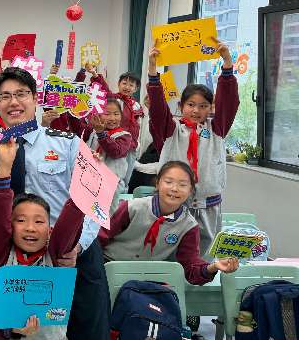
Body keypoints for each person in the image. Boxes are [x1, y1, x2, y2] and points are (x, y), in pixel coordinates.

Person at [0, 65, 111, 340]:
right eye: (5, 96)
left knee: (90, 339)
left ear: (36, 99)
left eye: (21, 94)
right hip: (11, 255)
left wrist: (78, 245)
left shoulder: (68, 143)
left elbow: (96, 198)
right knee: (14, 338)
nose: (14, 102)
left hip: (69, 252)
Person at [0, 139, 85, 340]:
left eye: (39, 221)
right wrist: (4, 170)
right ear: (10, 226)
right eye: (21, 220)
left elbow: (70, 222)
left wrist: (84, 184)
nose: (30, 228)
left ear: (50, 230)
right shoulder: (0, 254)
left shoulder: (56, 256)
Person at [147, 39, 238, 255]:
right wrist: (152, 69)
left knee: (204, 256)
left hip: (208, 205)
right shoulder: (171, 129)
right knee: (169, 252)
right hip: (174, 203)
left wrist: (227, 63)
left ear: (211, 108)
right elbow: (158, 107)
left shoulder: (216, 129)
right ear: (181, 106)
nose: (196, 111)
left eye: (203, 106)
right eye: (191, 105)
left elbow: (229, 102)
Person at [101, 161, 240, 284]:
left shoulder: (188, 226)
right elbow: (100, 237)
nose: (174, 189)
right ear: (157, 183)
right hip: (107, 267)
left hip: (145, 279)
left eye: (182, 185)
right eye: (168, 182)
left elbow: (190, 267)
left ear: (190, 190)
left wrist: (214, 267)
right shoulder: (132, 207)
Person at [86, 99, 136, 208]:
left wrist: (101, 134)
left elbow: (115, 152)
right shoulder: (93, 132)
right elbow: (77, 130)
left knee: (107, 214)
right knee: (89, 212)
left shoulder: (125, 136)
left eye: (116, 114)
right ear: (98, 115)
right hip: (91, 181)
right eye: (107, 114)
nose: (112, 118)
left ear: (121, 116)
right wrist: (72, 114)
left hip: (110, 185)